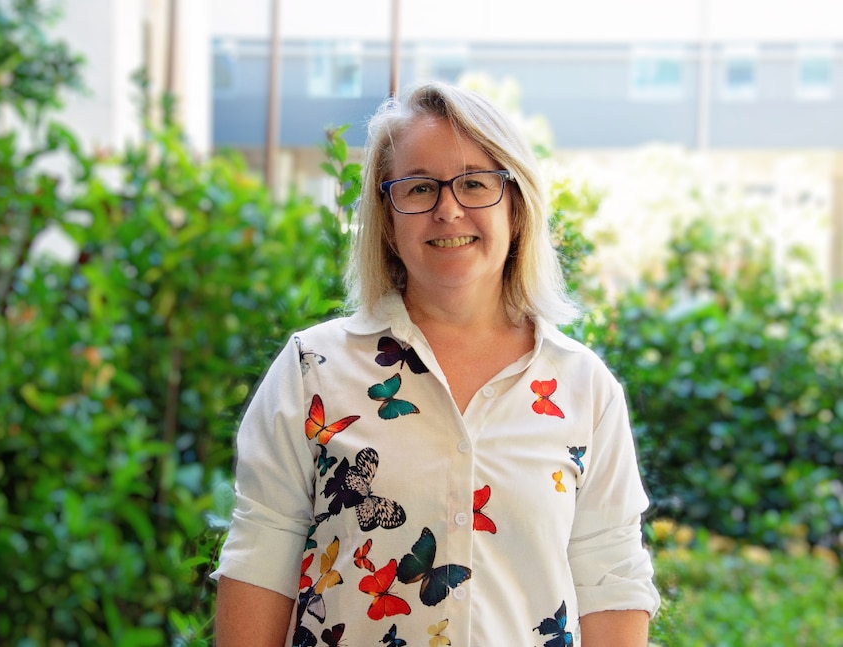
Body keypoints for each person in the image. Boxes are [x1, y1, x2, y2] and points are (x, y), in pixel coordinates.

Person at [213, 81, 660, 647]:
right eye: (420, 187)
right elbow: (260, 561)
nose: (448, 209)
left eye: (475, 183)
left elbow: (610, 581)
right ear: (388, 221)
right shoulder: (313, 371)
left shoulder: (583, 389)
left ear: (517, 207)